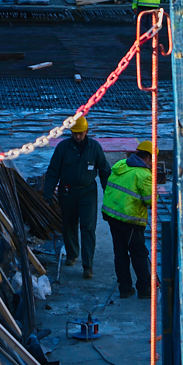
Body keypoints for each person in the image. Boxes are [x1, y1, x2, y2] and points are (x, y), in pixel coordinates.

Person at [42, 117, 110, 277]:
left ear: (86, 132)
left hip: (88, 192)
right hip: (68, 192)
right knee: (69, 224)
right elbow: (53, 171)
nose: (77, 136)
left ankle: (88, 265)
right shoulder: (63, 147)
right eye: (75, 133)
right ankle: (72, 255)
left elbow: (104, 171)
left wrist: (109, 192)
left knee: (88, 228)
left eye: (80, 133)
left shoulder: (94, 148)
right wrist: (48, 192)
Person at [102, 141, 154, 299]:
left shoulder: (121, 164)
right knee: (139, 255)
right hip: (130, 221)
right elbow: (151, 201)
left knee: (120, 254)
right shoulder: (144, 175)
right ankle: (144, 289)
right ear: (149, 158)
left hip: (112, 216)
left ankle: (125, 289)